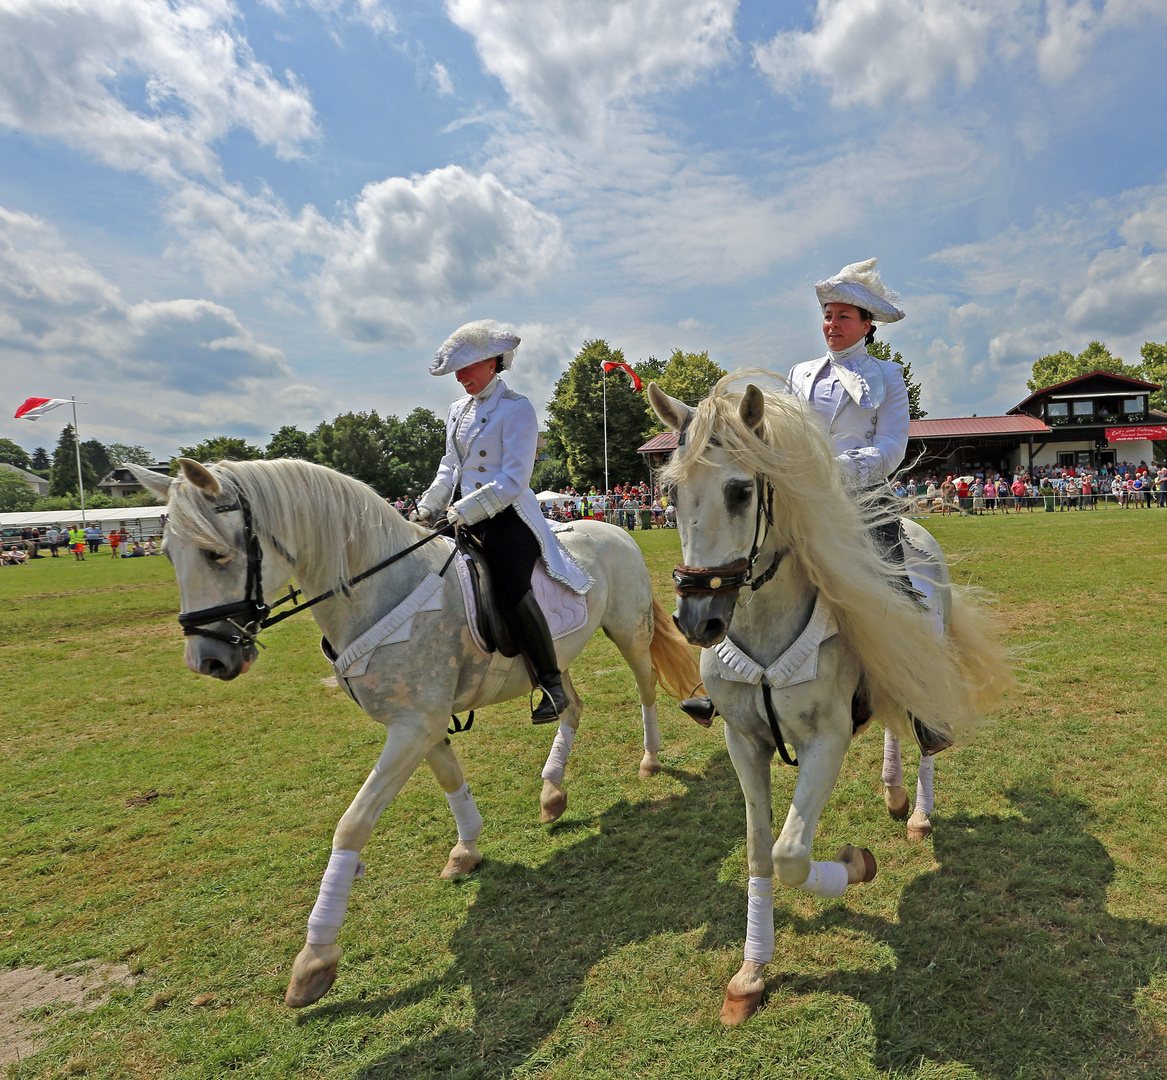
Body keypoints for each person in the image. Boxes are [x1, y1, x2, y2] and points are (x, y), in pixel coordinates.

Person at [414, 320, 591, 723]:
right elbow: (449, 466)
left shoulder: (517, 408)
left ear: (493, 364)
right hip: (461, 514)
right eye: (457, 372)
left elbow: (513, 479)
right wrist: (428, 507)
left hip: (508, 517)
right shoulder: (456, 410)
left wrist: (463, 510)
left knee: (511, 588)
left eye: (468, 368)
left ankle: (552, 682)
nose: (461, 378)